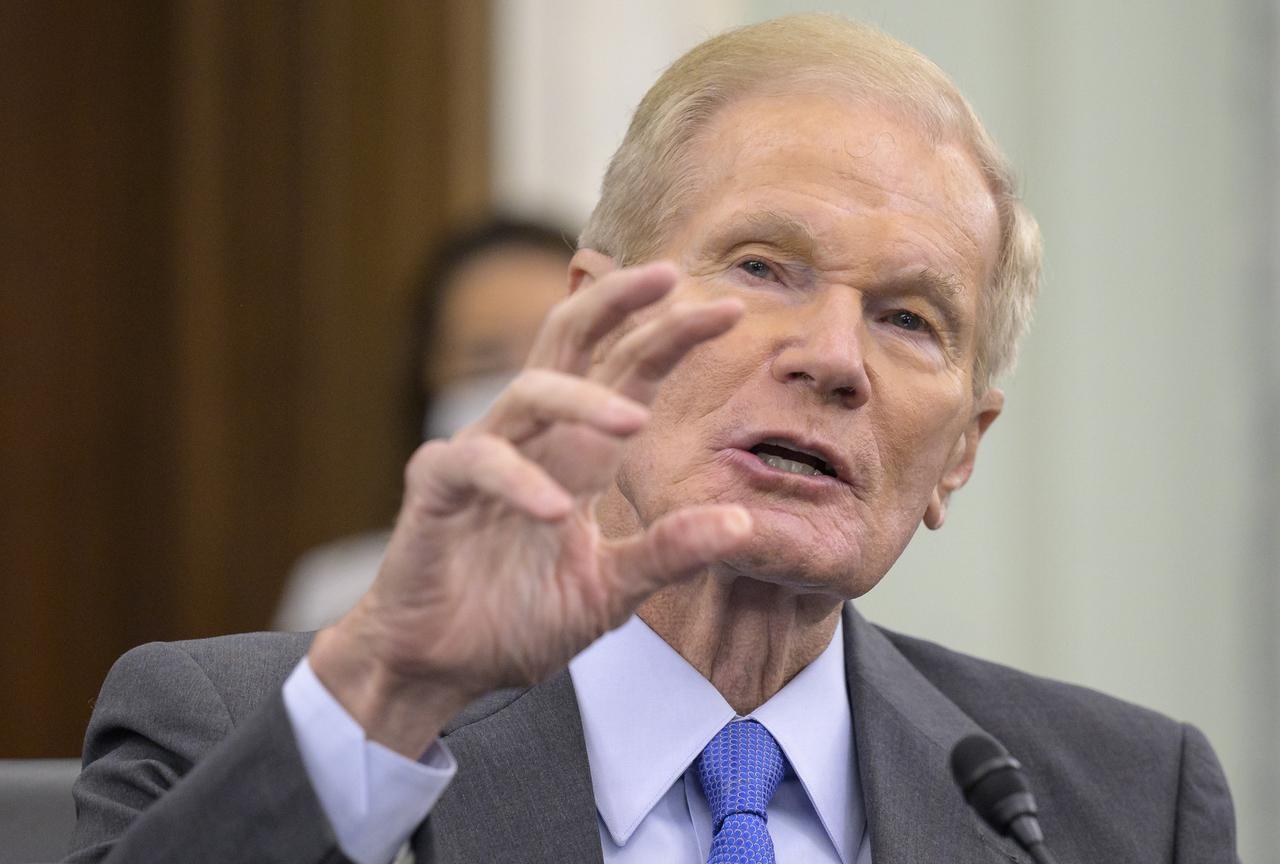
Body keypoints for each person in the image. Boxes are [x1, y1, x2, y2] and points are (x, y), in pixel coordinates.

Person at [67, 15, 1238, 864]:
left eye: (908, 319)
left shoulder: (1118, 806)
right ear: (588, 325)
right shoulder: (229, 728)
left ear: (962, 453)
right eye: (760, 267)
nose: (833, 357)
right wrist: (392, 690)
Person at [273, 218, 574, 632]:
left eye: (556, 349)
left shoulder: (660, 587)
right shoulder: (344, 599)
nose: (523, 387)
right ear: (429, 378)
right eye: (486, 361)